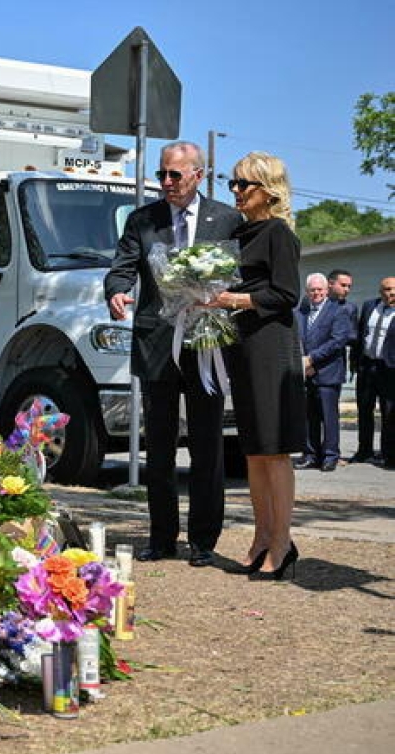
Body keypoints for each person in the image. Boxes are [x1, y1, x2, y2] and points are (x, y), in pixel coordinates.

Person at [104, 141, 243, 567]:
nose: (166, 182)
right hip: (157, 343)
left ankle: (203, 540)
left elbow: (241, 273)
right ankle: (162, 537)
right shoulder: (142, 219)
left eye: (175, 175)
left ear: (198, 176)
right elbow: (122, 265)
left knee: (206, 446)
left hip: (205, 345)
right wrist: (117, 291)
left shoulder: (227, 220)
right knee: (159, 448)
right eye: (162, 174)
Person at [210, 151, 306, 580]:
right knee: (252, 448)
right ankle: (261, 535)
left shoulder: (278, 233)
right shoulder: (241, 233)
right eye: (232, 183)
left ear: (267, 190)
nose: (235, 191)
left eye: (243, 185)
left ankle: (282, 541)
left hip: (270, 344)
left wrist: (237, 299)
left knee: (274, 448)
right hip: (242, 343)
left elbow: (287, 294)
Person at [294, 273, 352, 472]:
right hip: (306, 373)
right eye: (312, 290)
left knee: (328, 417)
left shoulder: (338, 311)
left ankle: (330, 456)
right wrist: (303, 363)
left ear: (327, 290)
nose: (316, 293)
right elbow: (296, 340)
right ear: (307, 291)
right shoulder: (300, 312)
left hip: (327, 373)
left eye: (320, 289)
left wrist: (312, 360)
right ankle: (311, 454)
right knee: (309, 417)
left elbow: (338, 341)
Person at [353, 277, 395, 467]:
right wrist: (355, 363)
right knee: (364, 410)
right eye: (387, 289)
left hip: (390, 370)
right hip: (367, 367)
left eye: (394, 289)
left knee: (389, 413)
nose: (391, 293)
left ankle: (389, 454)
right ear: (380, 291)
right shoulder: (370, 306)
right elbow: (360, 334)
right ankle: (364, 451)